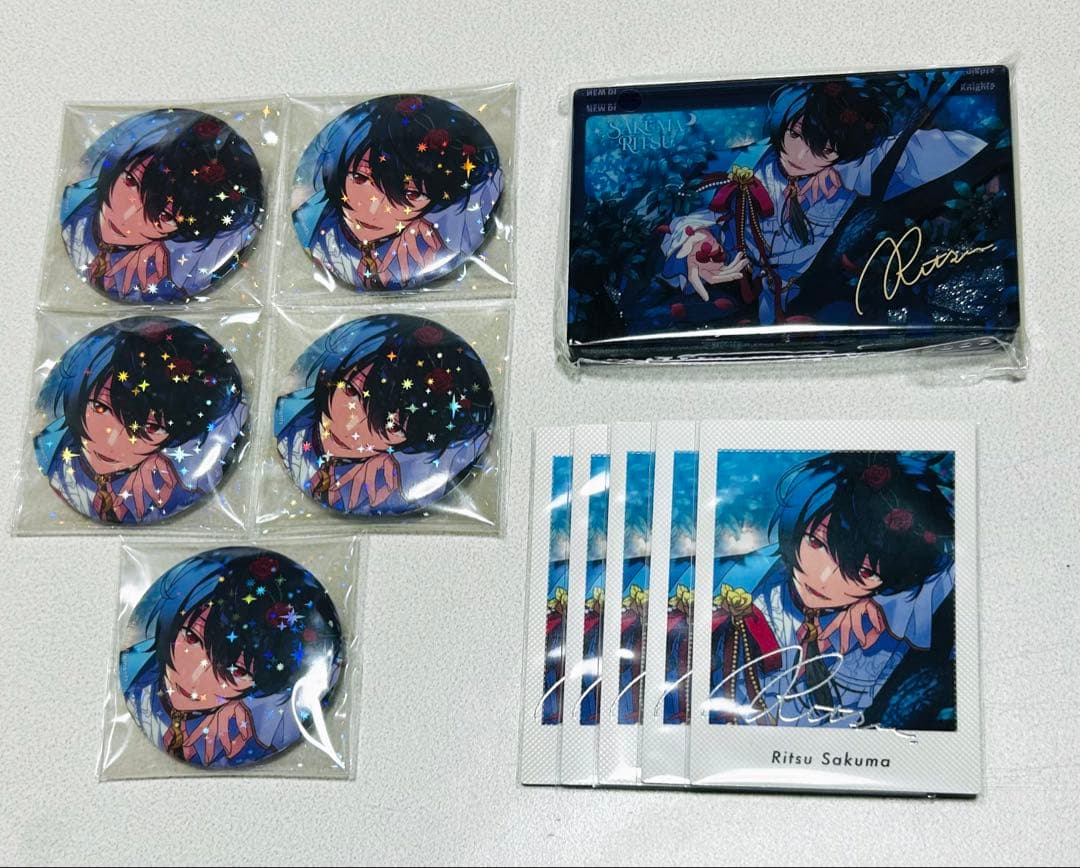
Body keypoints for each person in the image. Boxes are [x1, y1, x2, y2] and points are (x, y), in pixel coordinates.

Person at [660, 77, 986, 323]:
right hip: (738, 288)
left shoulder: (855, 171)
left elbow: (960, 146)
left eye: (824, 148)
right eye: (795, 135)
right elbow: (709, 214)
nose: (800, 156)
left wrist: (847, 169)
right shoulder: (753, 160)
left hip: (811, 300)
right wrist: (697, 242)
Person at [708, 451, 956, 729]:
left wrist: (892, 601)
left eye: (864, 572)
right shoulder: (742, 580)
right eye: (816, 543)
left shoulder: (894, 622)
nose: (824, 579)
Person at [119, 548, 342, 767]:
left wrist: (251, 709)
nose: (194, 680)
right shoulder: (136, 676)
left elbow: (322, 672)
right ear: (175, 619)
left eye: (236, 671)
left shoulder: (239, 739)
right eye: (193, 638)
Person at [34, 317, 247, 524]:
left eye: (151, 427)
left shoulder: (168, 487)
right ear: (79, 394)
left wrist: (177, 460)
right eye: (101, 408)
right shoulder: (52, 451)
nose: (112, 442)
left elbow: (237, 410)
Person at [274, 315, 494, 515]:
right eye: (352, 391)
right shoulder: (290, 417)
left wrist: (404, 463)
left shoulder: (383, 483)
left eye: (392, 426)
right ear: (342, 370)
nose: (349, 428)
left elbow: (469, 443)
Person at [292, 94, 503, 290]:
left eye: (411, 194)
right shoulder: (314, 223)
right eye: (360, 178)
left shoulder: (429, 245)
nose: (372, 209)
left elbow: (487, 184)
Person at [60, 108, 263, 302]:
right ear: (118, 167)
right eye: (131, 181)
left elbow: (239, 229)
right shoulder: (76, 205)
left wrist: (169, 256)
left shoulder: (155, 274)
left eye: (164, 217)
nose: (127, 218)